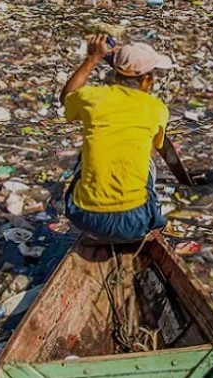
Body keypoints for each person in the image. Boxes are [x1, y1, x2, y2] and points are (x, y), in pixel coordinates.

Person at [60, 34, 173, 242]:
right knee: (148, 161)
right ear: (148, 79)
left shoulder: (91, 97)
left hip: (83, 217)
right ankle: (150, 223)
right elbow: (152, 149)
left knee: (84, 159)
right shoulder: (157, 109)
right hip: (134, 221)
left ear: (115, 73)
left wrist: (91, 59)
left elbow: (66, 97)